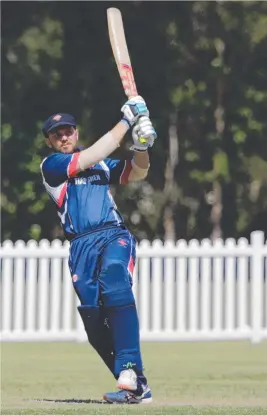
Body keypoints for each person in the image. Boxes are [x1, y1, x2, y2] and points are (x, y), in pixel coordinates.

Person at [40, 96, 157, 404]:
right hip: (80, 246)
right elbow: (89, 157)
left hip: (111, 234)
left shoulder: (101, 163)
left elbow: (138, 172)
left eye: (68, 131)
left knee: (115, 279)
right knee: (95, 321)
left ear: (76, 132)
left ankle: (129, 368)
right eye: (57, 134)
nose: (64, 137)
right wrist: (126, 121)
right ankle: (138, 387)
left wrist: (142, 146)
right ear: (50, 141)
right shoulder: (52, 166)